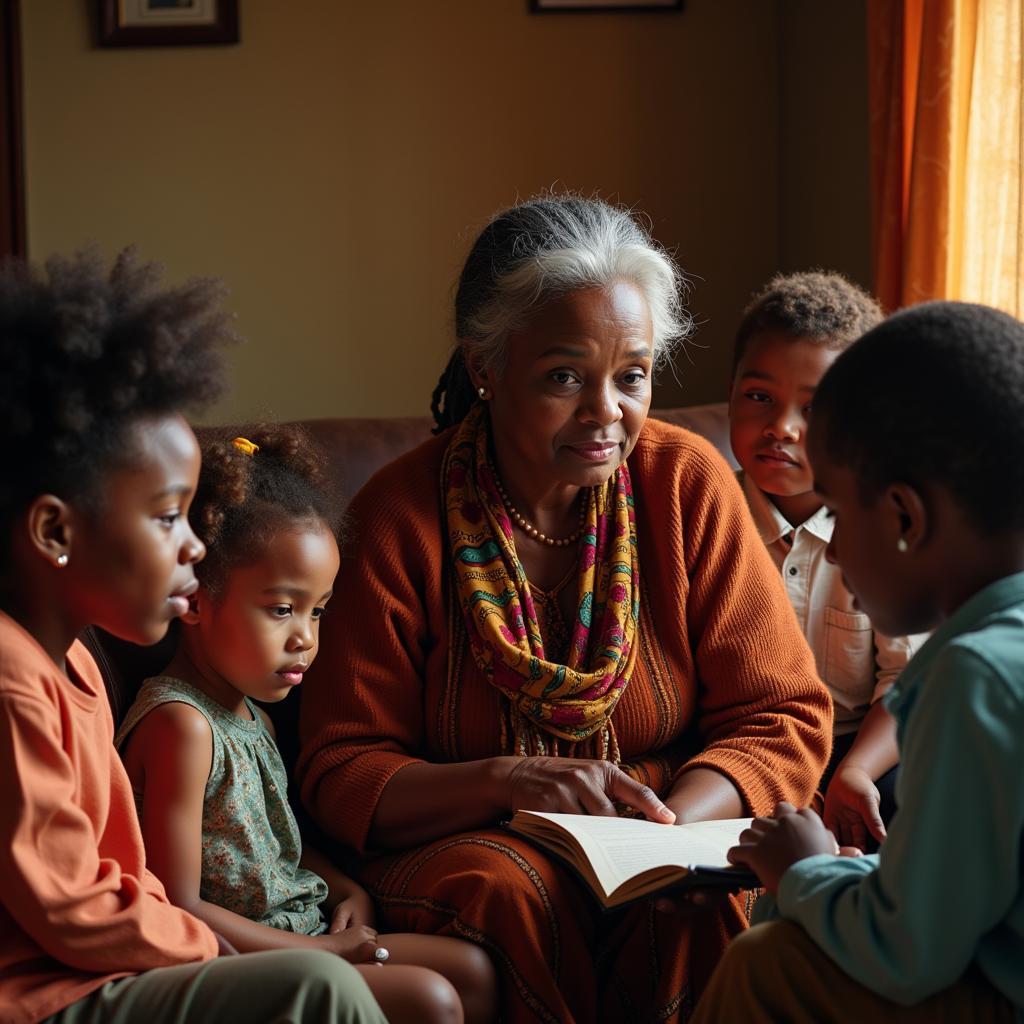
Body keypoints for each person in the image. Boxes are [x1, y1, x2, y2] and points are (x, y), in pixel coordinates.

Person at [296, 194, 834, 1024]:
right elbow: (341, 767)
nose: (606, 412)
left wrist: (664, 835)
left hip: (662, 818)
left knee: (683, 903)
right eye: (563, 377)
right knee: (511, 887)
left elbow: (782, 712)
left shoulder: (686, 484)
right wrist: (510, 780)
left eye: (633, 376)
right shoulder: (398, 517)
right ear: (485, 366)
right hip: (466, 842)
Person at [0, 247, 387, 1024]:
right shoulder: (12, 678)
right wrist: (216, 946)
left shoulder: (73, 660)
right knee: (322, 988)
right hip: (45, 994)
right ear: (55, 530)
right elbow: (74, 907)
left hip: (104, 969)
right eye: (168, 515)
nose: (195, 547)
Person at [692, 300, 1024, 1022]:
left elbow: (909, 951)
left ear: (905, 518)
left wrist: (806, 870)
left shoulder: (974, 679)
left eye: (839, 513)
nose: (835, 550)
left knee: (765, 962)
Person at [115, 426, 497, 1024]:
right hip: (241, 957)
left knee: (474, 971)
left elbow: (272, 845)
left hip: (302, 927)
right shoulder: (180, 727)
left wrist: (349, 890)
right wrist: (324, 952)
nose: (306, 639)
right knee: (434, 1000)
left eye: (318, 610)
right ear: (195, 599)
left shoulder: (254, 717)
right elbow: (177, 903)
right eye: (282, 609)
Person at [728, 270, 927, 850]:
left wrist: (857, 770)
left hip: (856, 743)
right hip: (742, 745)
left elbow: (906, 679)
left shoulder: (882, 530)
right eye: (759, 397)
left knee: (912, 792)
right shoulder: (707, 511)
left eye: (814, 410)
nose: (781, 429)